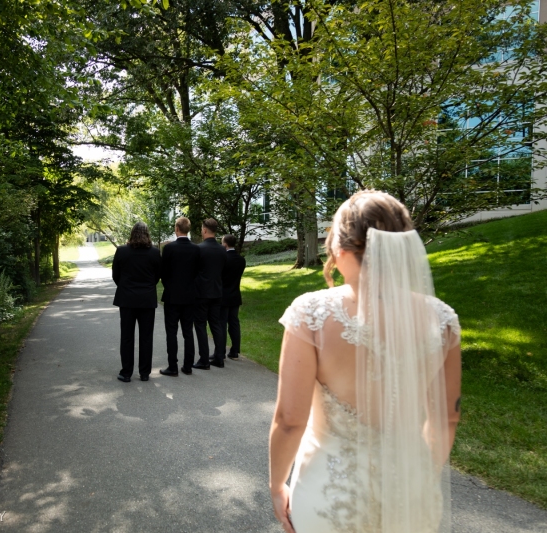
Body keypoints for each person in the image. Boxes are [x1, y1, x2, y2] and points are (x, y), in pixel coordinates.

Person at [269, 190, 462, 533]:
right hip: (410, 489)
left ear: (340, 250)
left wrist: (276, 485)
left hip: (331, 493)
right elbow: (447, 416)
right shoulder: (442, 319)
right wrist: (420, 476)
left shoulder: (310, 312)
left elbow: (289, 421)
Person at [112, 222, 162, 382]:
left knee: (127, 336)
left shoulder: (121, 251)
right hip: (147, 298)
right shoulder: (154, 253)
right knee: (146, 337)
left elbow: (116, 275)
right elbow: (157, 276)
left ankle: (126, 372)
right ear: (147, 234)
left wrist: (126, 286)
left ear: (132, 233)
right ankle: (145, 372)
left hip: (127, 299)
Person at [159, 216, 201, 377]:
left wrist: (169, 286)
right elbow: (198, 272)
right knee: (188, 332)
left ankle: (172, 366)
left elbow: (164, 272)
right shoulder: (196, 249)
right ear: (188, 229)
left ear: (177, 228)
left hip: (172, 296)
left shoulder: (169, 249)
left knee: (171, 332)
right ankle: (188, 365)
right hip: (190, 296)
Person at [192, 218, 227, 369]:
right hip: (217, 291)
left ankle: (204, 359)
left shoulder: (199, 249)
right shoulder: (222, 250)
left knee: (200, 325)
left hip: (201, 292)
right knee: (216, 324)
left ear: (205, 230)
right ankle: (219, 357)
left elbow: (194, 271)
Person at [217, 234, 246, 360]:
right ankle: (235, 351)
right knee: (234, 323)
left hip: (223, 295)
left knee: (222, 324)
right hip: (235, 294)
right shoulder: (241, 260)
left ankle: (221, 351)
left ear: (225, 244)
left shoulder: (223, 259)